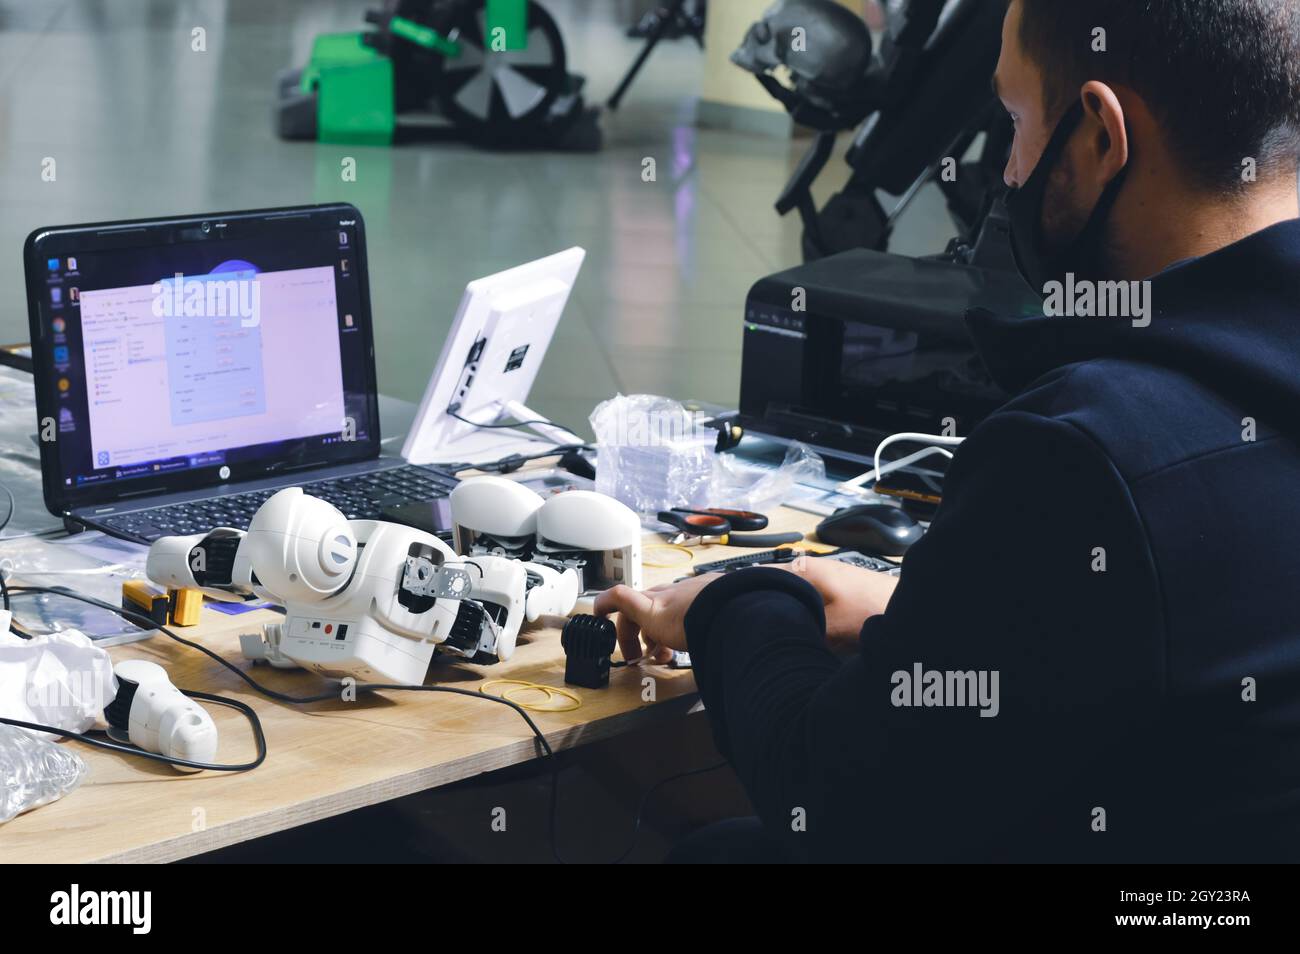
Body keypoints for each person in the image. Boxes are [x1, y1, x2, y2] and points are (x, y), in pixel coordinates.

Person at [596, 0, 1300, 862]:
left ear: (1101, 137)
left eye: (1014, 121)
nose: (1006, 166)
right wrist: (926, 617)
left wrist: (739, 603)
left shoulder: (1085, 450)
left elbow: (833, 794)